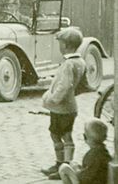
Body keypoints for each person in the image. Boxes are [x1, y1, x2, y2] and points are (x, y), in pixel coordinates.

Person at [41, 28, 88, 180]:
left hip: (61, 108)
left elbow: (64, 86)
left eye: (60, 43)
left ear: (66, 45)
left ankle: (64, 165)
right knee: (61, 134)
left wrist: (52, 99)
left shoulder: (68, 64)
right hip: (69, 107)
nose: (59, 46)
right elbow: (83, 85)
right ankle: (62, 164)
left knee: (60, 135)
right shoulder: (80, 61)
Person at [58, 118, 110, 184]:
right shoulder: (104, 152)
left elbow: (85, 178)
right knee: (74, 165)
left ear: (85, 137)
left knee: (64, 168)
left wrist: (76, 169)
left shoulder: (93, 155)